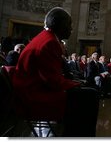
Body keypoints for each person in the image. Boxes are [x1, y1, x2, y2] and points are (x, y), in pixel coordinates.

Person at [12, 7, 99, 136]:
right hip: (33, 98)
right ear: (61, 25)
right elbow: (52, 81)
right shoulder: (50, 42)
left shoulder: (45, 38)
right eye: (70, 25)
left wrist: (73, 84)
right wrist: (75, 84)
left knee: (85, 92)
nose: (71, 29)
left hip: (31, 90)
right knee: (90, 95)